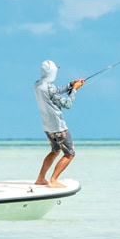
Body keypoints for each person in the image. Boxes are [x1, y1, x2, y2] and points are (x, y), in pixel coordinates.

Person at [34, 60, 85, 188]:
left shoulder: (37, 85)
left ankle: (40, 178)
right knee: (69, 153)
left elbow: (54, 92)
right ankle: (53, 180)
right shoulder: (49, 88)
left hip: (47, 126)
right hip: (58, 127)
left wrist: (69, 85)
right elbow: (67, 104)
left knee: (55, 150)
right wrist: (74, 90)